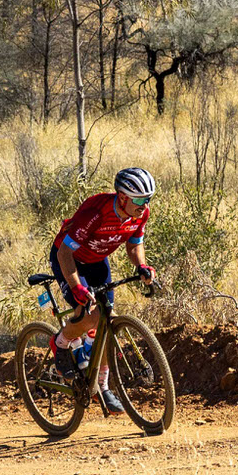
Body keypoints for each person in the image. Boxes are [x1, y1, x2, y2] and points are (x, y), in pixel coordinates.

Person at [49, 167, 159, 411]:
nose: (144, 205)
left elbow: (134, 245)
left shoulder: (141, 214)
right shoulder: (96, 213)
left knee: (108, 320)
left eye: (148, 199)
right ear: (122, 197)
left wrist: (141, 266)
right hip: (69, 259)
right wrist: (76, 286)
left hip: (97, 261)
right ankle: (61, 342)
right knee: (89, 314)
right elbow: (65, 252)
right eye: (139, 200)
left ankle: (102, 386)